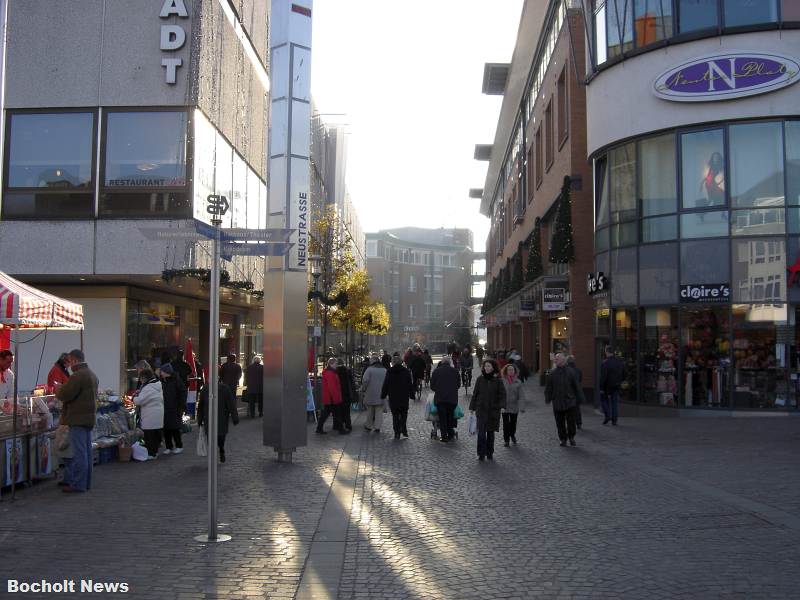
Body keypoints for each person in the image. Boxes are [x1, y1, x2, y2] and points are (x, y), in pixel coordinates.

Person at [55, 350, 99, 492]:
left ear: (74, 360)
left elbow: (65, 394)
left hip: (78, 419)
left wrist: (58, 389)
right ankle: (86, 483)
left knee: (79, 454)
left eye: (70, 361)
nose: (69, 364)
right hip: (88, 418)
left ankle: (78, 485)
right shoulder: (91, 374)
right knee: (86, 453)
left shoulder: (78, 376)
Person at [545, 353, 584, 447]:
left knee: (571, 422)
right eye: (555, 359)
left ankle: (571, 437)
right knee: (559, 422)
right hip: (557, 401)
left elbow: (576, 386)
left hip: (570, 401)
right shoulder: (552, 373)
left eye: (557, 359)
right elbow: (549, 388)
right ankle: (563, 439)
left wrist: (580, 398)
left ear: (563, 360)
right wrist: (548, 398)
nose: (555, 360)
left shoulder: (571, 372)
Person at [469, 359, 506, 460]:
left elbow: (502, 394)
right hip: (481, 410)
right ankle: (481, 453)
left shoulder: (498, 380)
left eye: (489, 366)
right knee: (481, 433)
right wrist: (472, 407)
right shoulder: (480, 379)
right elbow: (475, 394)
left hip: (493, 411)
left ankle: (490, 452)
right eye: (485, 366)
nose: (487, 368)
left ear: (493, 367)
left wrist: (502, 406)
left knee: (490, 433)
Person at [197, 380, 239, 462]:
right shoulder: (205, 389)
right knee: (210, 438)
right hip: (209, 417)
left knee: (221, 437)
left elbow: (231, 403)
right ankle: (213, 457)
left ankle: (221, 449)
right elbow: (201, 405)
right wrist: (200, 418)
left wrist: (235, 417)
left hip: (221, 417)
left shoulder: (224, 389)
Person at [381, 354, 414, 439]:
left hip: (393, 397)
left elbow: (386, 384)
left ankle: (397, 433)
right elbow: (410, 384)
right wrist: (412, 394)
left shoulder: (389, 371)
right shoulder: (406, 371)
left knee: (395, 416)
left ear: (393, 363)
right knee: (404, 414)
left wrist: (383, 394)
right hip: (404, 397)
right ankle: (403, 428)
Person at [134, 367, 165, 459]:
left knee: (149, 435)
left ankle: (151, 454)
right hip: (157, 412)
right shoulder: (157, 384)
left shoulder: (148, 387)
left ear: (145, 378)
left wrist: (134, 397)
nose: (140, 380)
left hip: (150, 414)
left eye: (141, 378)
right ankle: (154, 452)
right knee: (155, 434)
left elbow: (140, 401)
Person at [430, 356, 461, 443]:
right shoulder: (455, 371)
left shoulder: (436, 371)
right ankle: (451, 434)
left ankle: (444, 437)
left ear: (442, 362)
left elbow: (432, 386)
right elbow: (458, 385)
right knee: (450, 417)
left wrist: (439, 389)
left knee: (442, 418)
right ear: (450, 362)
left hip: (440, 399)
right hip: (452, 399)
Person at [159, 363, 187, 455]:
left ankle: (179, 446)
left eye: (162, 371)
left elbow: (183, 392)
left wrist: (181, 405)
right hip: (165, 407)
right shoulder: (163, 381)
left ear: (167, 372)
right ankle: (169, 447)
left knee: (175, 428)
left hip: (174, 407)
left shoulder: (176, 381)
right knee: (166, 428)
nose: (160, 373)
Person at [317, 358, 345, 434]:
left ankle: (319, 428)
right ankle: (341, 430)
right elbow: (332, 387)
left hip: (330, 398)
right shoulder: (330, 373)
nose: (337, 365)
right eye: (336, 364)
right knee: (336, 414)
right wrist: (336, 399)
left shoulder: (330, 372)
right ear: (331, 364)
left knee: (326, 414)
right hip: (331, 398)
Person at [599, 346, 625, 426]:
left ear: (607, 352)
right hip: (616, 385)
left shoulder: (605, 363)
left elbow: (603, 377)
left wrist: (601, 388)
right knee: (615, 402)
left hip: (607, 386)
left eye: (605, 352)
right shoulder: (620, 362)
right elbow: (624, 373)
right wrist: (620, 380)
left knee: (603, 400)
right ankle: (614, 420)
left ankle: (607, 415)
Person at [361, 354, 387, 433]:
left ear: (373, 361)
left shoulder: (369, 369)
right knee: (379, 411)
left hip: (370, 393)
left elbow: (365, 381)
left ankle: (369, 426)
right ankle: (377, 427)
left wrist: (363, 389)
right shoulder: (384, 370)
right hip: (381, 393)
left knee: (370, 410)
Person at [501, 364, 524, 447]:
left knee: (513, 423)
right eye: (509, 370)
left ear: (515, 371)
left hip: (514, 406)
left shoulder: (518, 382)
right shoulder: (502, 381)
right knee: (505, 424)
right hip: (505, 406)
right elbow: (499, 394)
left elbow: (521, 395)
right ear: (506, 371)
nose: (511, 371)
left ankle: (512, 434)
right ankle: (506, 440)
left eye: (512, 370)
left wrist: (522, 406)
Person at [336, 358, 355, 432]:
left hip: (339, 393)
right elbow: (352, 383)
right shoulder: (348, 370)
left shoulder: (335, 371)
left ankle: (339, 425)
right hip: (347, 394)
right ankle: (348, 425)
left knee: (339, 411)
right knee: (347, 411)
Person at [566, 355, 583, 429]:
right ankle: (579, 423)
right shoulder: (578, 370)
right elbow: (580, 380)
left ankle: (570, 423)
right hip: (576, 391)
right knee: (577, 408)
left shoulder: (565, 370)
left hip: (568, 392)